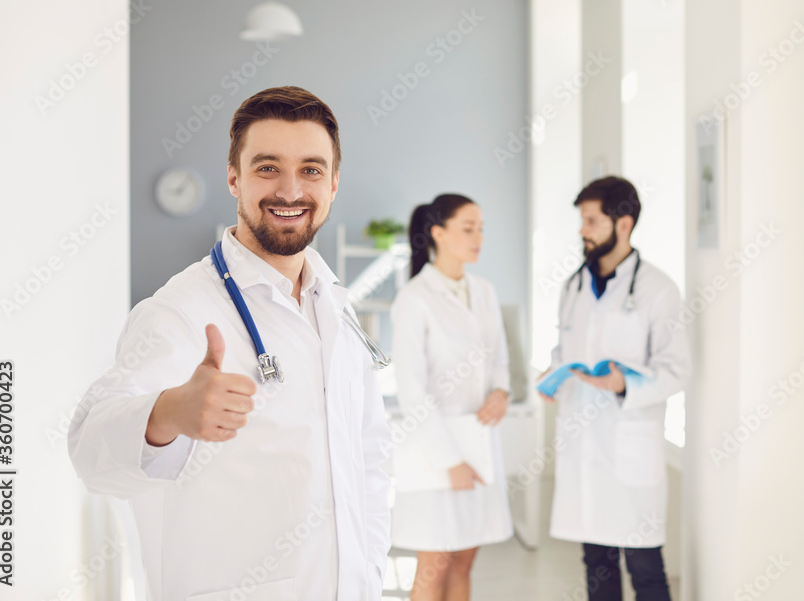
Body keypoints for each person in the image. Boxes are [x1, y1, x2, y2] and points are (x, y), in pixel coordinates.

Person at [68, 86, 391, 601]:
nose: (290, 191)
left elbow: (369, 457)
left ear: (333, 183)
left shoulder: (335, 306)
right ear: (233, 177)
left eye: (310, 169)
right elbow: (89, 453)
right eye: (267, 168)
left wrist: (371, 571)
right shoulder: (179, 312)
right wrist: (167, 414)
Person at [541, 176, 690, 601]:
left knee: (645, 569)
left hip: (629, 447)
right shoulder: (573, 286)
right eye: (582, 221)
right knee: (597, 567)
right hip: (584, 446)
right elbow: (563, 346)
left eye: (591, 221)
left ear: (622, 223)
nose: (582, 230)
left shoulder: (658, 290)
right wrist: (553, 377)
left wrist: (624, 382)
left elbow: (677, 369)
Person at [389, 194, 514, 601]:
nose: (478, 237)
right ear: (438, 234)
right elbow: (411, 391)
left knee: (464, 560)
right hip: (436, 451)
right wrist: (451, 461)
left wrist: (501, 391)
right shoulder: (414, 298)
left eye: (481, 228)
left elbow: (499, 359)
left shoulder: (484, 291)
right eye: (468, 228)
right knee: (434, 565)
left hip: (478, 444)